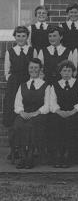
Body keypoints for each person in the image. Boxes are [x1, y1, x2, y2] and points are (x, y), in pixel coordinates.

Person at [3, 26, 34, 161]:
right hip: (14, 85)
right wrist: (13, 82)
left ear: (27, 37)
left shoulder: (32, 50)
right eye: (18, 36)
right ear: (15, 37)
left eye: (23, 36)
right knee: (12, 116)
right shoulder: (10, 51)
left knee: (27, 115)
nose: (21, 38)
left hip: (27, 82)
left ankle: (28, 149)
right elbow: (7, 72)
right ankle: (13, 149)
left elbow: (36, 66)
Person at [13, 58, 50, 169]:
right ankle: (22, 156)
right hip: (24, 114)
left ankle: (30, 156)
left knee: (31, 126)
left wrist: (36, 113)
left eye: (36, 68)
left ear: (40, 69)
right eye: (31, 67)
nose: (33, 70)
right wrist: (21, 112)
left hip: (39, 115)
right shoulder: (23, 85)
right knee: (17, 125)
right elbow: (17, 103)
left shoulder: (46, 85)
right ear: (28, 69)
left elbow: (47, 105)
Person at [48, 60, 78, 168]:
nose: (66, 73)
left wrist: (73, 111)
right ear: (60, 72)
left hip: (74, 113)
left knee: (71, 124)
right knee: (56, 123)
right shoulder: (54, 85)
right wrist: (59, 112)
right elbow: (52, 102)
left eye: (69, 71)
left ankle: (68, 155)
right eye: (64, 70)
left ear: (73, 72)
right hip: (59, 113)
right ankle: (58, 154)